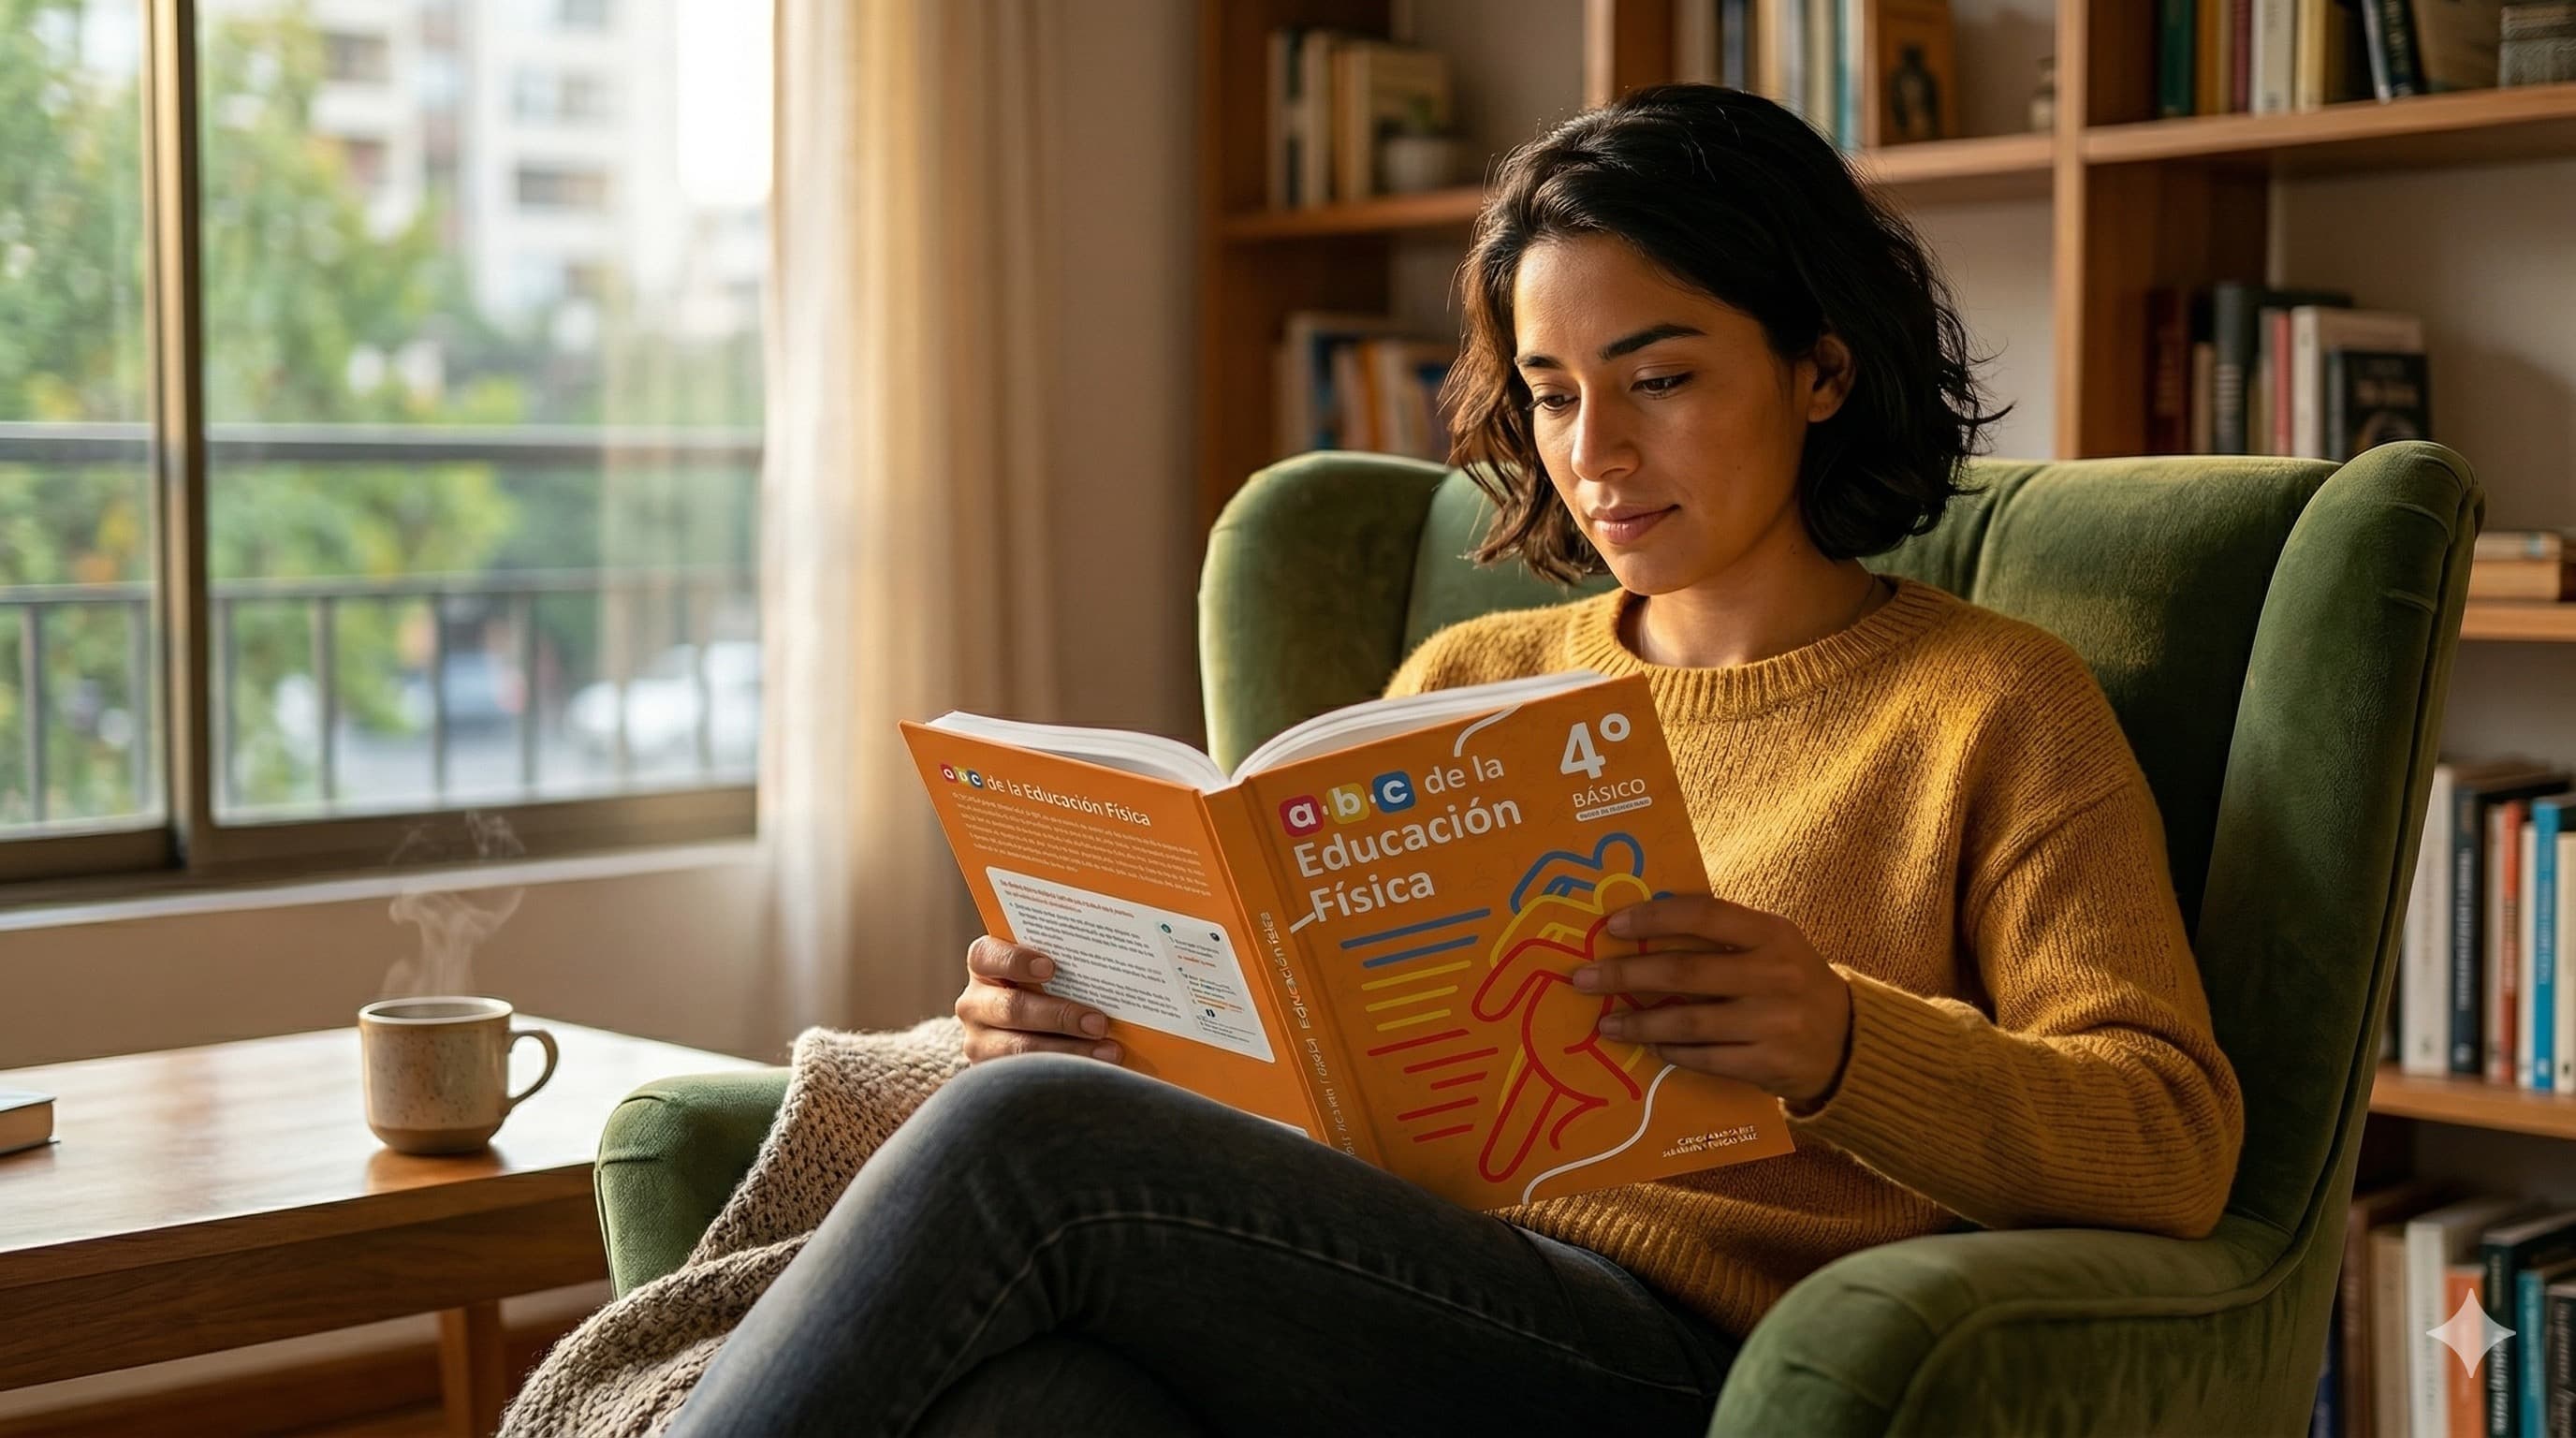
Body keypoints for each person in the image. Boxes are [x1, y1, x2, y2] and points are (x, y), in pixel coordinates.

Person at [666, 83, 2247, 1437]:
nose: (1595, 453)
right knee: (1034, 1399)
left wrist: (1840, 1041)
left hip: (1681, 1350)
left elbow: (2171, 1140)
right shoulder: (1470, 682)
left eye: (1662, 378)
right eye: (1553, 396)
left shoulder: (1989, 706)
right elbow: (1331, 1080)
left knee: (1018, 1146)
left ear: (1820, 373)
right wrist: (1102, 1030)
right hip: (1391, 1281)